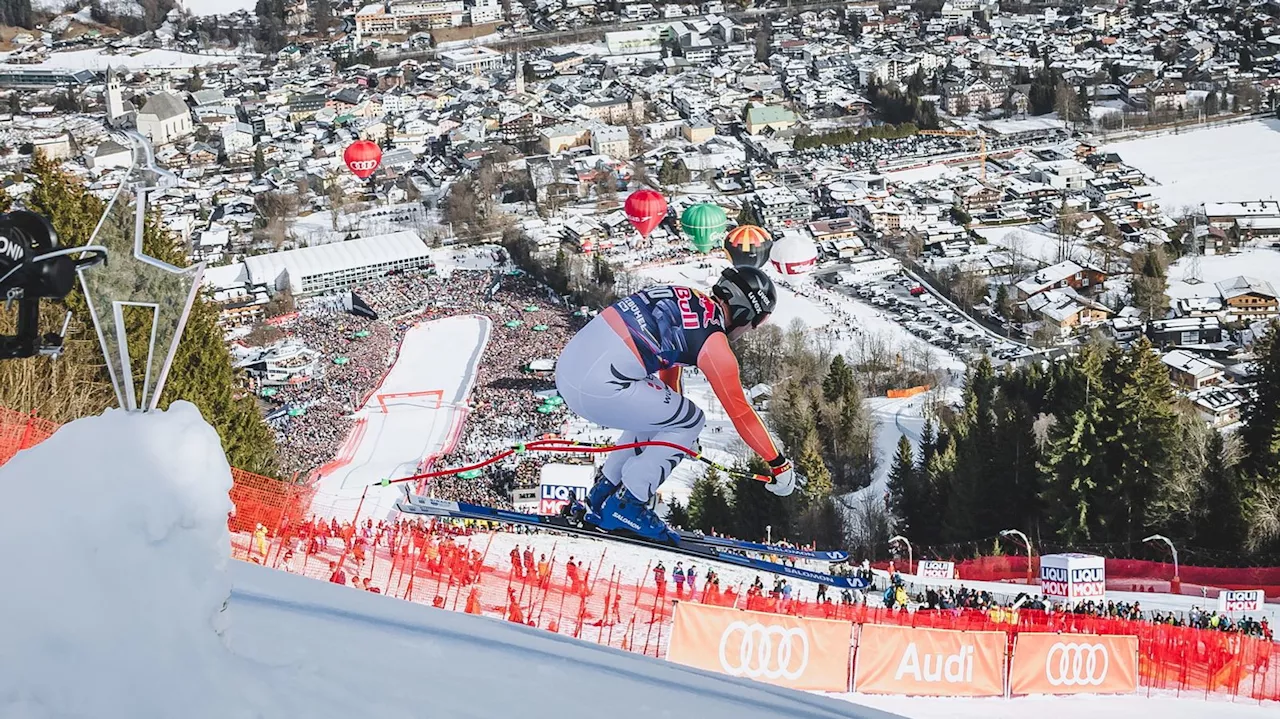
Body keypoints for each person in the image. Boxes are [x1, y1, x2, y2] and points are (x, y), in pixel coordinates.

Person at [555, 266, 804, 541]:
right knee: (692, 419)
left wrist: (676, 436)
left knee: (671, 415)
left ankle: (604, 492)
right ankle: (629, 504)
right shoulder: (714, 343)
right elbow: (741, 413)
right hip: (597, 387)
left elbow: (668, 371)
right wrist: (778, 463)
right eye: (755, 322)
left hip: (569, 372)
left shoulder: (688, 297)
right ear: (745, 311)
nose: (750, 330)